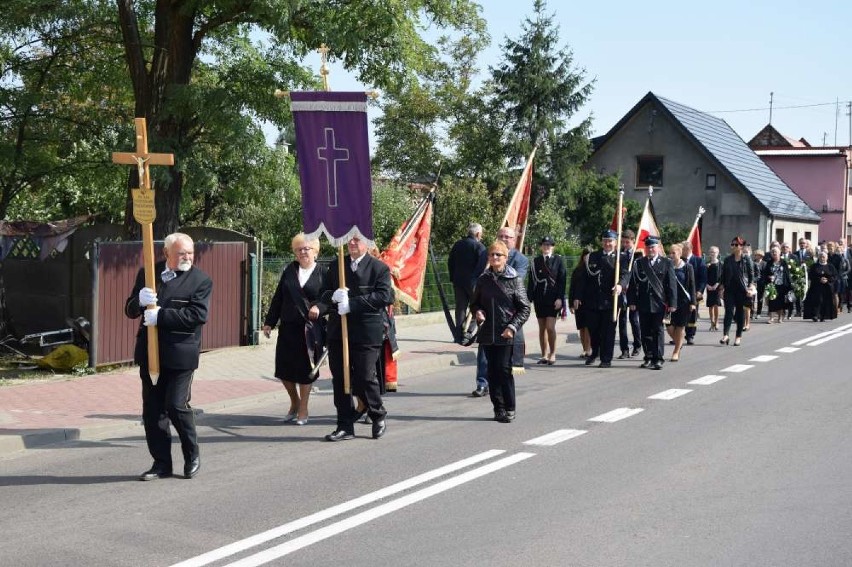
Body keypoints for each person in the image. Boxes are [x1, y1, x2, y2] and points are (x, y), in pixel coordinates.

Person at [125, 232, 212, 481]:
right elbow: (129, 310)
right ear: (166, 254)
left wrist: (161, 316)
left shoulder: (201, 280)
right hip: (150, 354)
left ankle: (192, 454)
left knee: (175, 406)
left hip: (181, 354)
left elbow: (197, 316)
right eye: (181, 253)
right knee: (152, 412)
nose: (187, 258)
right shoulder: (148, 273)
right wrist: (138, 302)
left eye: (190, 253)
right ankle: (161, 463)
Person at [318, 236, 394, 442]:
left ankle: (377, 414)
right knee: (340, 380)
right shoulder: (336, 267)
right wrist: (332, 296)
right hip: (338, 332)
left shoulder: (379, 268)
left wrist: (353, 303)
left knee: (364, 376)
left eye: (356, 240)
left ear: (367, 244)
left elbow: (385, 296)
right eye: (348, 240)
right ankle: (345, 426)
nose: (352, 244)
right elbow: (322, 295)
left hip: (366, 332)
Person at [262, 233, 327, 426]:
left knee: (306, 371)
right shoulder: (289, 270)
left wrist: (320, 308)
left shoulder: (324, 272)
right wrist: (269, 322)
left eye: (306, 248)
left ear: (315, 251)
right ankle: (294, 402)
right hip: (288, 327)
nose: (302, 252)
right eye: (298, 249)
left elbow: (329, 299)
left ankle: (304, 409)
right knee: (283, 371)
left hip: (311, 331)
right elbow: (278, 297)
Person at [470, 240, 530, 423]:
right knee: (491, 372)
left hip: (506, 333)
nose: (495, 257)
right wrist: (478, 311)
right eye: (492, 254)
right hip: (488, 332)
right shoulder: (483, 279)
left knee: (503, 370)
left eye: (499, 255)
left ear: (506, 258)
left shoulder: (514, 279)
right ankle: (498, 408)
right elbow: (475, 303)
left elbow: (525, 308)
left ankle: (510, 407)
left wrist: (512, 327)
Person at [574, 229, 630, 368]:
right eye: (605, 240)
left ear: (615, 243)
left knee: (608, 331)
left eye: (610, 241)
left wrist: (619, 285)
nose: (607, 243)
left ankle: (606, 358)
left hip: (610, 300)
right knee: (593, 330)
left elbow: (625, 275)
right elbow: (583, 279)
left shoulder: (620, 257)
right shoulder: (592, 257)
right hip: (592, 300)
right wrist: (577, 296)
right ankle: (595, 352)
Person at [627, 235, 676, 370]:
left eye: (653, 247)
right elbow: (633, 284)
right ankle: (648, 357)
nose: (650, 249)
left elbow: (671, 284)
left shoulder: (666, 263)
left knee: (658, 331)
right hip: (643, 303)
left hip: (659, 303)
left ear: (658, 248)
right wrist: (631, 301)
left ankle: (658, 358)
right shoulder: (639, 263)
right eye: (648, 247)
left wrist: (672, 303)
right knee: (645, 331)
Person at [528, 235, 566, 365]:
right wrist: (528, 298)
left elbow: (562, 281)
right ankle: (544, 355)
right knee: (542, 328)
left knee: (550, 327)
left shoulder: (558, 261)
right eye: (544, 245)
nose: (546, 247)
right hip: (539, 299)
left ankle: (553, 353)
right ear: (541, 247)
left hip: (553, 299)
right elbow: (531, 281)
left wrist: (560, 298)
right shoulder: (535, 261)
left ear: (553, 247)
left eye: (549, 245)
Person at [447, 223, 485, 339]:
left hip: (458, 281)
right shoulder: (479, 247)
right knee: (478, 306)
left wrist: (453, 277)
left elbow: (450, 262)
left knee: (460, 307)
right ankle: (469, 331)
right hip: (474, 283)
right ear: (478, 234)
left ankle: (459, 334)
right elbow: (483, 266)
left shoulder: (457, 244)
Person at [719, 236, 756, 346]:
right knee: (728, 312)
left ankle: (738, 336)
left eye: (736, 244)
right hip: (730, 289)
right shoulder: (727, 259)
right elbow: (723, 275)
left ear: (741, 246)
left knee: (740, 313)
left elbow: (751, 275)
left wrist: (750, 287)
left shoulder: (746, 259)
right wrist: (721, 288)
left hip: (742, 290)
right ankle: (725, 335)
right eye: (732, 244)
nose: (733, 246)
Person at [666, 243, 696, 361]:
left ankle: (676, 351)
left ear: (680, 253)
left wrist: (693, 302)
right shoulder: (668, 266)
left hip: (684, 302)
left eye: (674, 253)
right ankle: (680, 342)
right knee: (669, 326)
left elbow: (692, 285)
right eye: (670, 253)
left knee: (680, 326)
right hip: (670, 301)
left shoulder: (688, 267)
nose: (671, 255)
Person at [617, 230, 642, 359]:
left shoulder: (638, 255)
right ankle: (624, 349)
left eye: (627, 242)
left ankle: (637, 345)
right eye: (623, 242)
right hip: (622, 291)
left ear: (633, 241)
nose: (625, 244)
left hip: (633, 292)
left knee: (634, 320)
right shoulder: (619, 255)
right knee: (622, 321)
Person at [681, 240, 706, 345]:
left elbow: (703, 278)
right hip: (681, 293)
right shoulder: (679, 261)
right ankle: (679, 335)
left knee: (692, 314)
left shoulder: (698, 261)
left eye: (683, 249)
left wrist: (700, 290)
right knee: (680, 314)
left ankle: (690, 335)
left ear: (689, 249)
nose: (681, 251)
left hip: (694, 292)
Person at [569, 248, 592, 358]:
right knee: (581, 327)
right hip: (578, 302)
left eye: (589, 255)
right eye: (585, 255)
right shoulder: (577, 270)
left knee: (588, 326)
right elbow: (572, 287)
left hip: (590, 302)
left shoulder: (593, 269)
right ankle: (584, 349)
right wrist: (570, 304)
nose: (587, 257)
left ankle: (588, 349)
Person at [803, 251, 838, 322]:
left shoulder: (830, 266)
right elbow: (811, 275)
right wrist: (819, 279)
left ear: (827, 258)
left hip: (827, 287)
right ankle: (815, 315)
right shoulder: (814, 266)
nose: (822, 258)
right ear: (818, 257)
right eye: (821, 257)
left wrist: (827, 280)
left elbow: (835, 276)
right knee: (817, 301)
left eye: (824, 257)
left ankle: (823, 316)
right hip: (816, 287)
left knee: (825, 301)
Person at [762, 246, 790, 324]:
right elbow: (765, 273)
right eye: (773, 252)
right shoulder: (769, 262)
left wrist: (789, 285)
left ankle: (780, 318)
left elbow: (787, 274)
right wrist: (769, 277)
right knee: (772, 301)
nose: (774, 253)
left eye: (776, 252)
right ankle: (771, 318)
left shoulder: (783, 262)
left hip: (781, 284)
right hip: (772, 285)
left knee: (781, 302)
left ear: (779, 253)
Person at [705, 246, 722, 331]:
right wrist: (707, 285)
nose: (712, 254)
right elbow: (704, 276)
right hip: (709, 286)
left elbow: (722, 276)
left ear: (718, 253)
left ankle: (717, 321)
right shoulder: (707, 264)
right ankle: (712, 322)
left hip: (717, 287)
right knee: (710, 305)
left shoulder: (720, 264)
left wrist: (717, 284)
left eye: (714, 252)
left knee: (716, 304)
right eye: (711, 252)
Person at [752, 249, 766, 319]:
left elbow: (765, 273)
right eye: (755, 255)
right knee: (752, 298)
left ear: (761, 256)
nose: (755, 256)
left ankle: (758, 313)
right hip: (754, 282)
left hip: (761, 283)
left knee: (760, 298)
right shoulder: (752, 263)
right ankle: (751, 313)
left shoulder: (764, 264)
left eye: (757, 255)